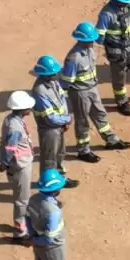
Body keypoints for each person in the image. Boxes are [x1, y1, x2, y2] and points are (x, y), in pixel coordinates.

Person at [61, 22, 130, 163]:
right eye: (89, 40)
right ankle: (83, 150)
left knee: (100, 113)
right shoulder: (73, 58)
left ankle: (111, 140)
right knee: (82, 122)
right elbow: (65, 82)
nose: (92, 42)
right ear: (81, 40)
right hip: (80, 93)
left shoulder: (91, 50)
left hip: (92, 89)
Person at [30, 55, 76, 189]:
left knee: (60, 154)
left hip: (59, 126)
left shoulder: (54, 82)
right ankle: (48, 186)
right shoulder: (39, 91)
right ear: (45, 75)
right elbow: (49, 117)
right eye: (53, 72)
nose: (57, 74)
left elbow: (62, 101)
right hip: (48, 130)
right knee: (49, 159)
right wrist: (67, 119)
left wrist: (65, 119)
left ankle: (60, 178)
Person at [0, 90, 36, 244]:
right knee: (22, 200)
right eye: (28, 107)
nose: (31, 109)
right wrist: (5, 163)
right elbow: (10, 148)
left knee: (22, 197)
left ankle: (22, 224)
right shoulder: (14, 127)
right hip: (20, 166)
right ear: (22, 109)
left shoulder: (12, 119)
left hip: (21, 164)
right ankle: (20, 232)